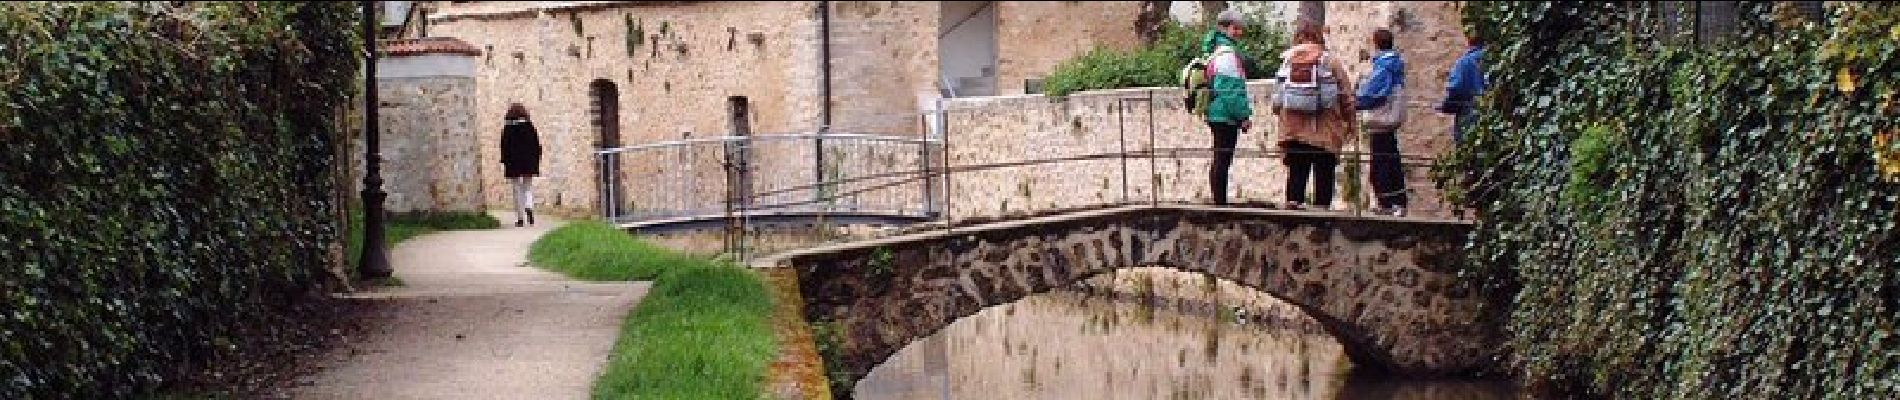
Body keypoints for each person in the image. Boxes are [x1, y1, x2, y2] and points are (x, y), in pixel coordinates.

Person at [1272, 20, 1355, 210]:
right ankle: (1322, 216)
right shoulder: (1330, 61)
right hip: (1325, 131)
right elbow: (1346, 96)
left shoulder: (1287, 61)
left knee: (1297, 173)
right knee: (1324, 174)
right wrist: (1350, 123)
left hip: (1294, 131)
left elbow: (1276, 102)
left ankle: (1293, 214)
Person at [1202, 10, 1253, 206]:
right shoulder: (1227, 55)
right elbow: (1231, 90)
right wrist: (1243, 116)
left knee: (1219, 157)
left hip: (1215, 111)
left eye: (1240, 28)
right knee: (1223, 159)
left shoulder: (1215, 50)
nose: (1239, 32)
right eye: (1235, 28)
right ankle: (1220, 203)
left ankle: (1219, 201)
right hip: (1224, 114)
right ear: (1224, 28)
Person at [1355, 28, 1409, 216]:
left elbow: (1375, 94)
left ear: (1375, 43)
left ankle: (1386, 202)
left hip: (1381, 121)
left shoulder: (1383, 66)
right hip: (1391, 120)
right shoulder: (1396, 64)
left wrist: (1357, 102)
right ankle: (1399, 202)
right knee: (1392, 160)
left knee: (1380, 164)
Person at [1439, 27, 1486, 144]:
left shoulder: (1464, 62)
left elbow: (1456, 88)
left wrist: (1447, 106)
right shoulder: (1497, 60)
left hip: (1469, 116)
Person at [500, 103, 543, 227]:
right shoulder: (529, 126)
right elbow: (536, 144)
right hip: (528, 160)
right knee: (527, 187)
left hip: (513, 161)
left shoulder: (507, 129)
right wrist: (536, 159)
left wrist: (504, 160)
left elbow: (504, 147)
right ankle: (529, 206)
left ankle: (520, 218)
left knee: (516, 189)